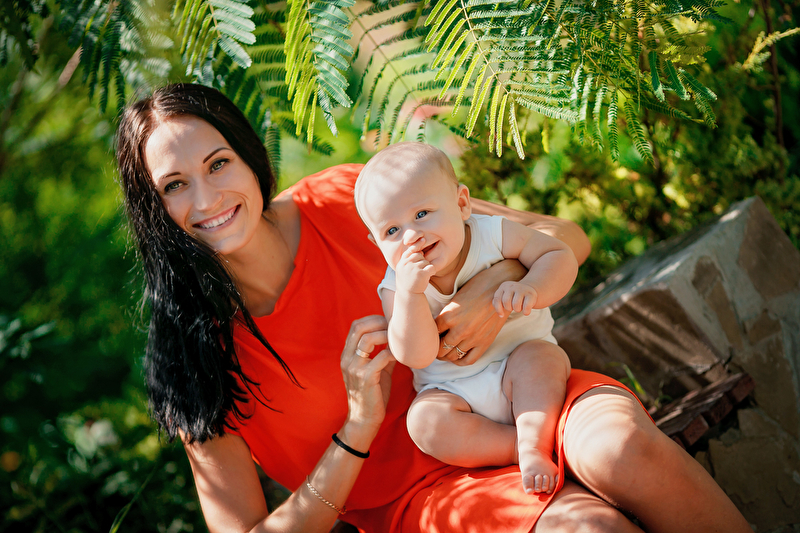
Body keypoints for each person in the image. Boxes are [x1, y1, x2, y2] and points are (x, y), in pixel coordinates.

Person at [115, 82, 752, 533]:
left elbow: (563, 238)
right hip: (424, 501)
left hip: (522, 391)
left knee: (622, 448)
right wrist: (358, 428)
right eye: (175, 185)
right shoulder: (191, 356)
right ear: (153, 210)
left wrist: (486, 297)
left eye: (218, 163)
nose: (207, 198)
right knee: (589, 530)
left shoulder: (346, 199)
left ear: (250, 156)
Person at [354, 142, 575, 495]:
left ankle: (534, 443)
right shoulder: (397, 286)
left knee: (541, 359)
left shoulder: (493, 234)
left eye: (422, 213)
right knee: (424, 422)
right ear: (376, 243)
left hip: (519, 363)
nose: (411, 236)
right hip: (455, 393)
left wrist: (532, 287)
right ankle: (516, 447)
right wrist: (411, 295)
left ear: (461, 204)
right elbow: (415, 356)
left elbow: (557, 254)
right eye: (391, 231)